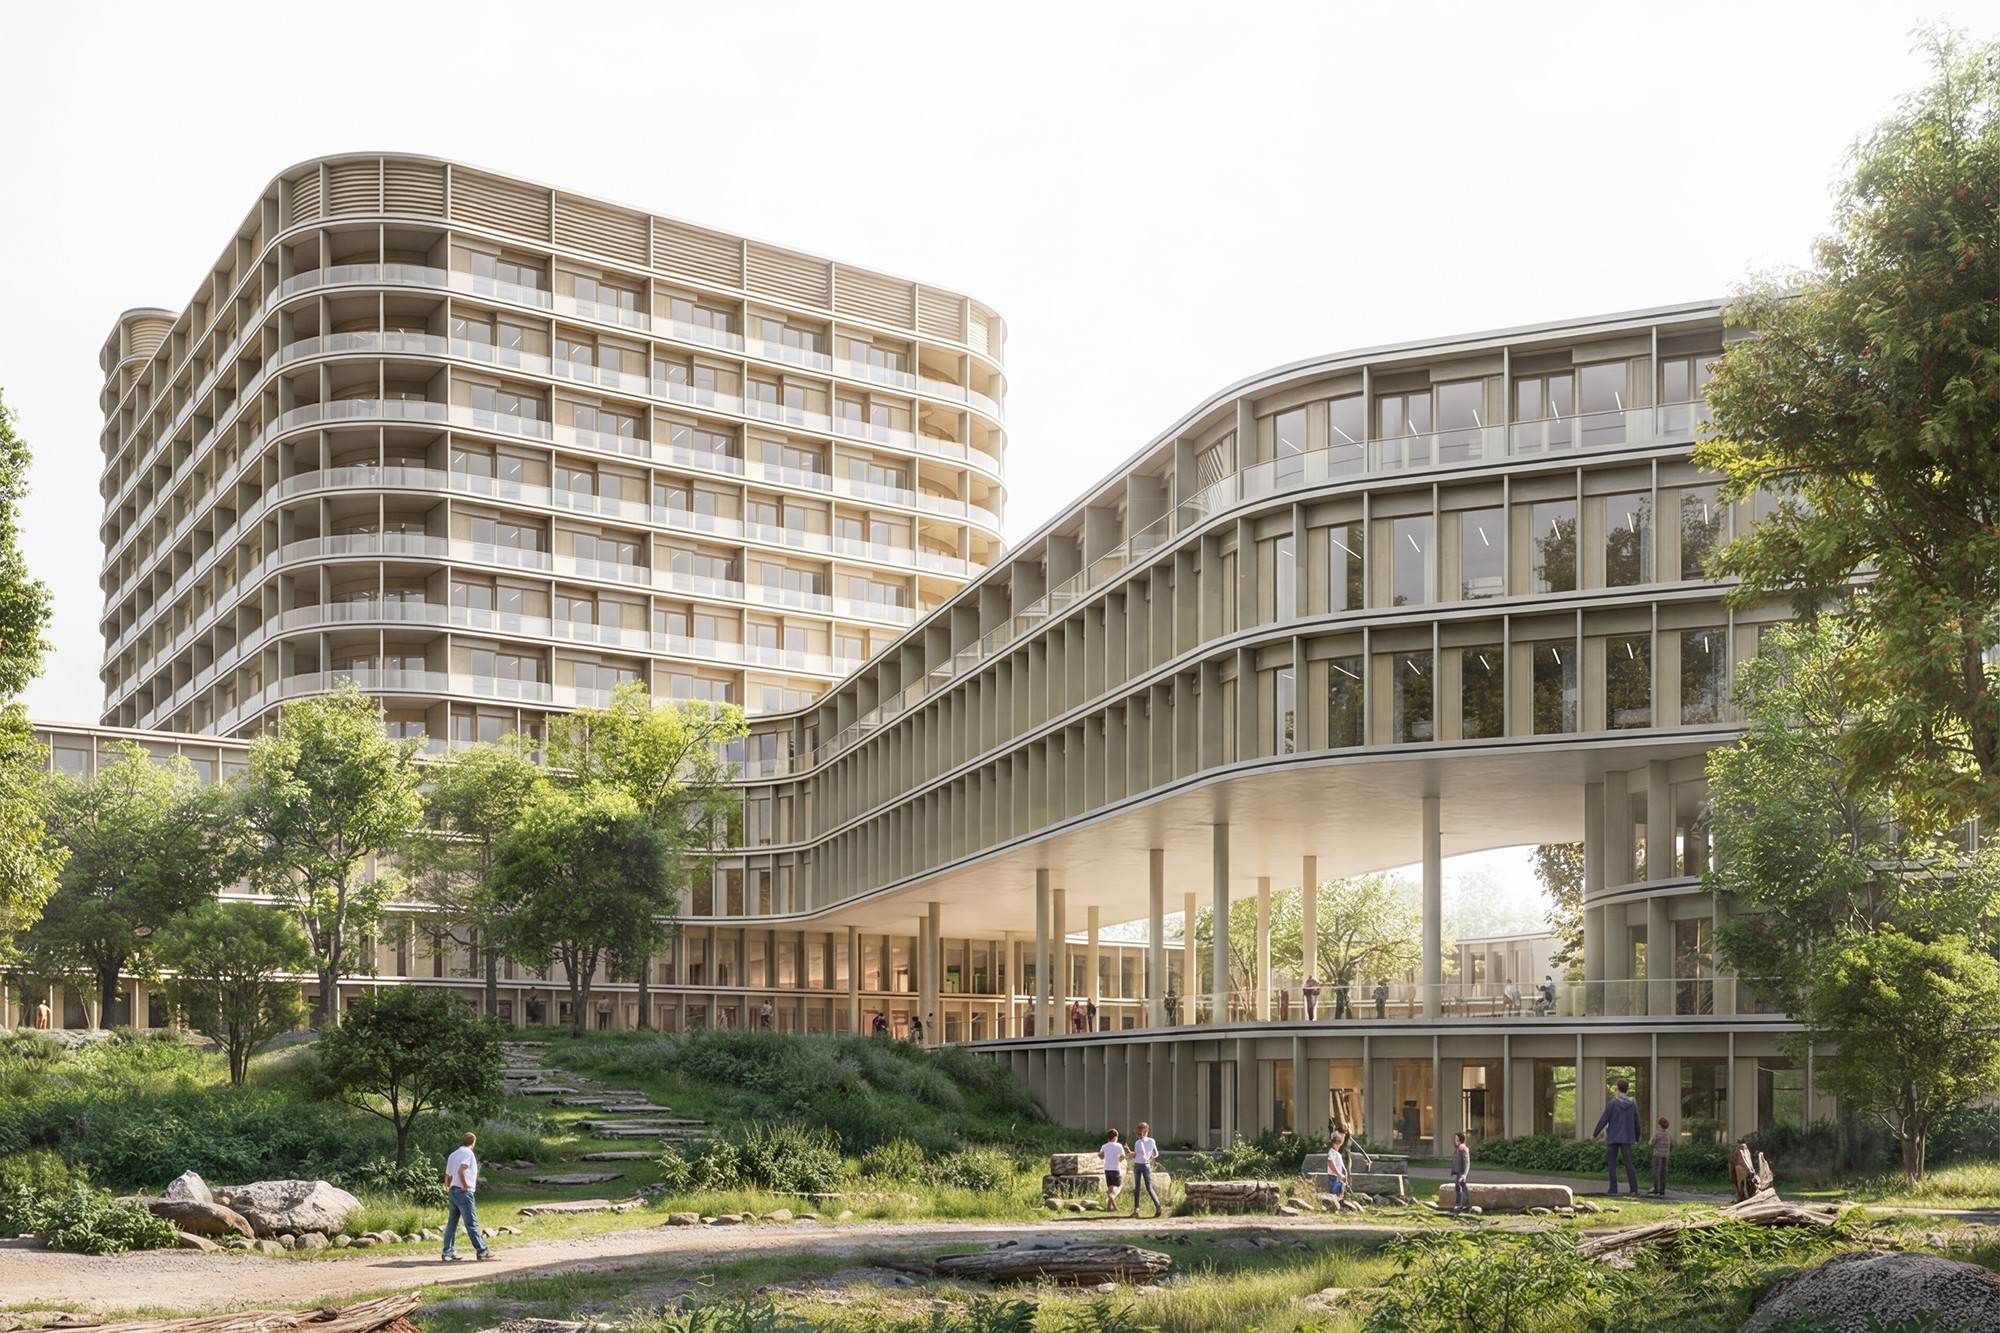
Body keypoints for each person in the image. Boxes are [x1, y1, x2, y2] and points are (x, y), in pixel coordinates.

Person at [440, 1132, 491, 1262]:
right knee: (471, 1223)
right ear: (473, 1142)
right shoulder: (468, 1154)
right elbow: (461, 1170)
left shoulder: (453, 1154)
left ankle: (448, 1251)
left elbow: (448, 1176)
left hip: (452, 1191)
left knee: (452, 1222)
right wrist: (465, 1185)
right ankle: (482, 1250)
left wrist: (448, 1187)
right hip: (463, 1192)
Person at [1592, 1078, 1642, 1195]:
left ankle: (1613, 1189)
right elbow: (1637, 1121)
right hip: (1628, 1137)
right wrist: (1637, 1136)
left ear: (1617, 1089)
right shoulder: (1633, 1103)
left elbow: (1604, 1119)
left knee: (1612, 1165)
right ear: (1627, 1089)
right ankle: (1634, 1189)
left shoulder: (1613, 1103)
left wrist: (1595, 1133)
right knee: (1629, 1163)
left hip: (1613, 1136)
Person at [1128, 1121, 1163, 1218]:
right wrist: (1150, 1157)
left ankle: (1140, 1209)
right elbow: (1155, 1153)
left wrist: (1132, 1154)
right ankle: (1154, 1206)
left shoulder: (1140, 1142)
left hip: (1140, 1165)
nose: (1139, 1135)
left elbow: (1140, 1155)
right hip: (1144, 1165)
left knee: (1142, 1188)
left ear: (1146, 1131)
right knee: (1144, 1188)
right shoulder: (1150, 1141)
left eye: (1140, 1133)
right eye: (1138, 1133)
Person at [1099, 1128, 1127, 1210]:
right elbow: (1123, 1156)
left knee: (1111, 1188)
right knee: (1118, 1186)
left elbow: (1100, 1155)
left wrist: (1103, 1156)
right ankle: (1112, 1196)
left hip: (1107, 1169)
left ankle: (1110, 1207)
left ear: (1108, 1137)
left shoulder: (1104, 1146)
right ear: (1116, 1137)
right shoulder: (1118, 1145)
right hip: (1115, 1169)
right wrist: (1119, 1160)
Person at [1650, 1117, 1674, 1197]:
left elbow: (1652, 1143)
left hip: (1657, 1154)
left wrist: (1652, 1144)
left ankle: (1656, 1190)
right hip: (1666, 1155)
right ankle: (1662, 1191)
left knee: (1656, 1172)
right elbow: (1672, 1144)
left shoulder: (1657, 1133)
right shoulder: (1669, 1134)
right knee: (1663, 1172)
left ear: (1660, 1125)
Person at [1450, 1131, 1471, 1212]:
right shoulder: (1458, 1148)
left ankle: (1464, 1205)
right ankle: (1462, 1205)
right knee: (1458, 1187)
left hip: (1462, 1172)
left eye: (1456, 1139)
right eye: (1455, 1139)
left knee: (1461, 1188)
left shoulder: (1463, 1148)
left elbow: (1467, 1162)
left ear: (1460, 1139)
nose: (1455, 1141)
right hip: (1459, 1172)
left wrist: (1464, 1175)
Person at [1326, 1131, 1348, 1199]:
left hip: (1338, 1177)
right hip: (1334, 1177)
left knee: (1339, 1194)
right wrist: (1339, 1174)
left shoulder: (1337, 1153)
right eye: (1336, 1142)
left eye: (1339, 1142)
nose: (1337, 1144)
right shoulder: (1332, 1152)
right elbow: (1330, 1163)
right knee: (1334, 1195)